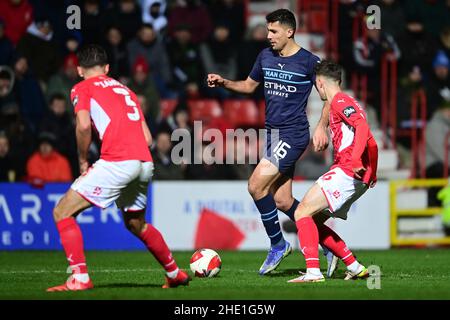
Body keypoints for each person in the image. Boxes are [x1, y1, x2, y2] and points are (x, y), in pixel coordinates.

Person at [46, 44, 190, 292]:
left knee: (62, 212)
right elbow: (147, 139)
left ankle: (79, 278)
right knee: (137, 224)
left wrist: (82, 159)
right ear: (107, 68)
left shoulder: (82, 87)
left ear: (79, 69)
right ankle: (175, 273)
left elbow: (82, 126)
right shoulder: (127, 90)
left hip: (118, 160)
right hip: (144, 162)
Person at [207, 9, 336, 276]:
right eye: (268, 31)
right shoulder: (265, 56)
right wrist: (224, 82)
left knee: (255, 185)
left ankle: (278, 244)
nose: (268, 37)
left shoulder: (309, 62)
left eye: (274, 31)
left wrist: (322, 127)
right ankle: (329, 243)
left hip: (293, 134)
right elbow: (248, 86)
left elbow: (330, 96)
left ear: (290, 32)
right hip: (273, 135)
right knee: (282, 200)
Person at [288, 60, 378, 283]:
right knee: (314, 222)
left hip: (347, 170)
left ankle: (313, 272)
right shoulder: (350, 101)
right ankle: (355, 267)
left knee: (301, 212)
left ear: (319, 83)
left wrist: (356, 159)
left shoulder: (339, 100)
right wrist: (371, 172)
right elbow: (373, 144)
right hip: (358, 176)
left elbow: (363, 129)